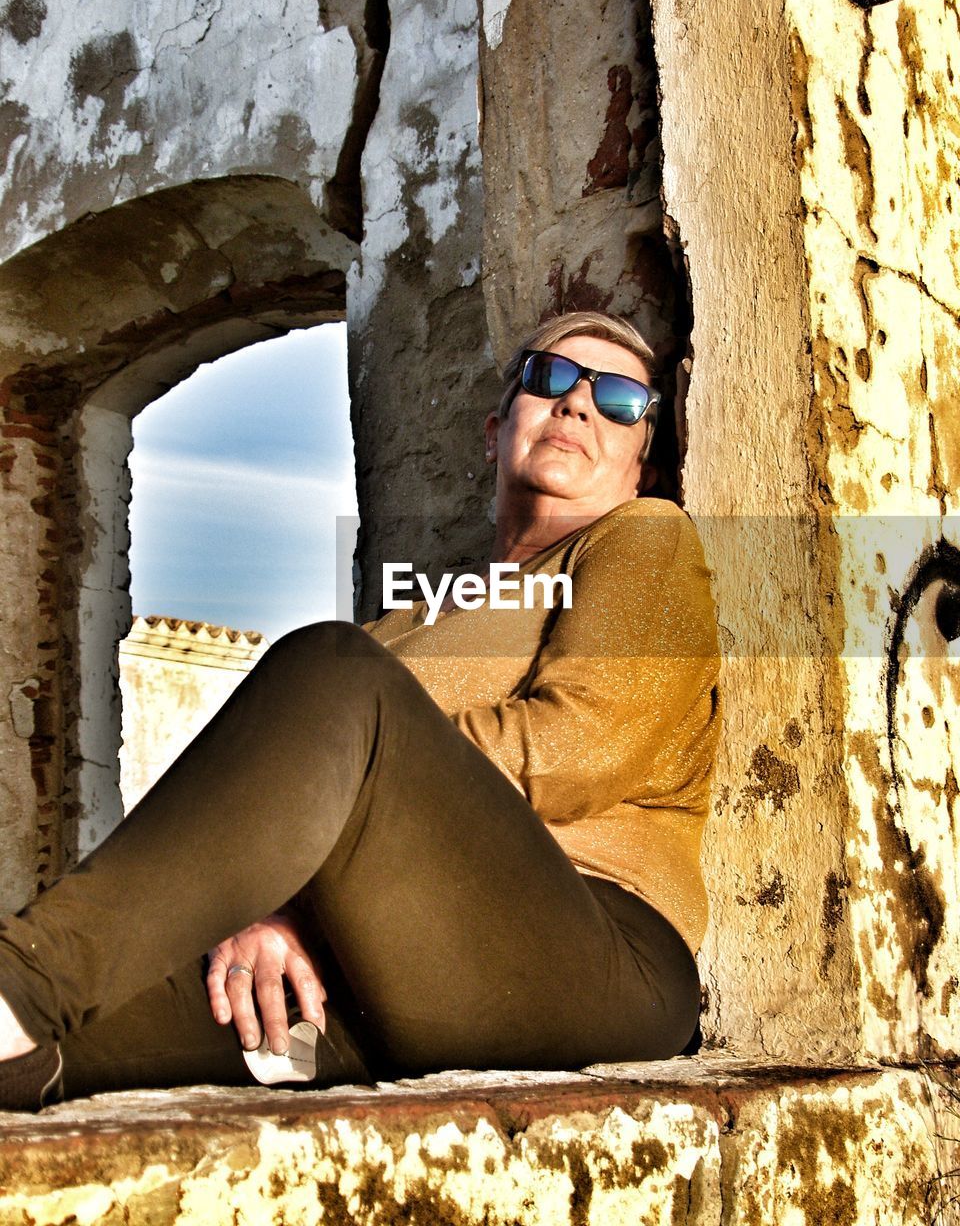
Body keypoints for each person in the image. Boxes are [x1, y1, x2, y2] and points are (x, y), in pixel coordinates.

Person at [0, 310, 721, 1111]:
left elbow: (586, 744)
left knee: (330, 670)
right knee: (68, 1042)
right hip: (382, 977)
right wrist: (271, 905)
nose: (578, 405)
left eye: (619, 400)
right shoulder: (399, 627)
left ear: (642, 468)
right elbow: (287, 791)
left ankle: (21, 979)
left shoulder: (642, 538)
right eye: (549, 378)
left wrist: (322, 851)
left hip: (595, 958)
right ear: (494, 431)